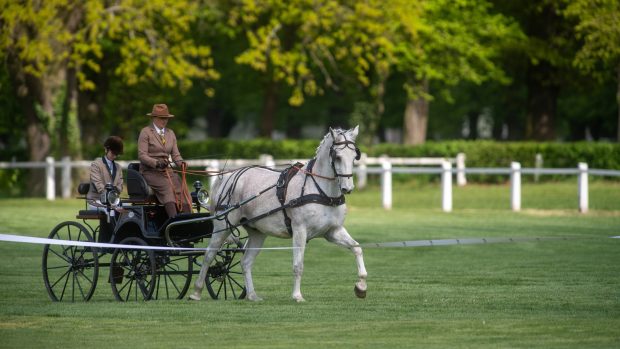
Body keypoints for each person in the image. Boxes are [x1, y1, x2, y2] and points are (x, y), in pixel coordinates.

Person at [138, 103, 191, 218]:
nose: (165, 121)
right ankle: (174, 220)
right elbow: (142, 155)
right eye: (162, 118)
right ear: (154, 118)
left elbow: (176, 155)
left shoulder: (170, 133)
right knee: (167, 188)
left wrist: (181, 163)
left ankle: (188, 219)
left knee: (182, 188)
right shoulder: (145, 132)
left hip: (167, 171)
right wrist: (156, 163)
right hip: (150, 171)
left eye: (166, 118)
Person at [87, 136, 124, 209]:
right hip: (96, 200)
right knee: (110, 210)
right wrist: (110, 193)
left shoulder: (118, 167)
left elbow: (120, 186)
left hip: (113, 201)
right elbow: (98, 184)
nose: (114, 156)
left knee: (129, 209)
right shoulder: (96, 164)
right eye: (113, 153)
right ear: (106, 149)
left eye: (116, 154)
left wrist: (115, 194)